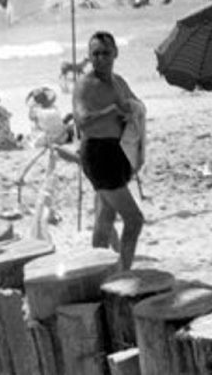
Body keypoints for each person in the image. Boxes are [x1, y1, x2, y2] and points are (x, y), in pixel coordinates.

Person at [73, 32, 144, 270]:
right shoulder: (85, 84)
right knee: (134, 219)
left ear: (116, 53)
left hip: (119, 151)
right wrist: (110, 111)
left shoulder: (119, 81)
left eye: (105, 53)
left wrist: (130, 111)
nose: (101, 58)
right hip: (98, 154)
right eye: (95, 54)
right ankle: (123, 271)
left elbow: (138, 105)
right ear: (89, 56)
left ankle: (97, 272)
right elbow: (81, 120)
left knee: (105, 219)